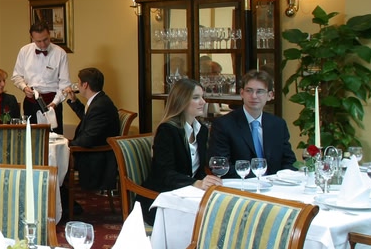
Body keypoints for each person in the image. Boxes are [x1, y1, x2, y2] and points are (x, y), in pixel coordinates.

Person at [141, 78, 223, 220]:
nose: (203, 102)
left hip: (189, 195)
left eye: (202, 97)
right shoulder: (167, 130)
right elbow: (164, 173)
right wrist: (196, 183)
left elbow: (198, 171)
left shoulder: (202, 131)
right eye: (196, 98)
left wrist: (206, 182)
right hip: (163, 198)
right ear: (181, 101)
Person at [208, 70, 297, 176]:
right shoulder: (223, 124)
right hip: (241, 183)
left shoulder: (278, 124)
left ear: (270, 95)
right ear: (242, 93)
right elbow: (221, 166)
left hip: (274, 183)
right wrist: (258, 179)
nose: (254, 96)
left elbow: (289, 161)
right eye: (249, 91)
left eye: (259, 91)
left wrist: (282, 177)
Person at [63, 67, 121, 216]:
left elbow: (88, 139)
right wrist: (73, 101)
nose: (77, 85)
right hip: (94, 148)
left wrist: (66, 144)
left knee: (57, 161)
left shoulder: (100, 106)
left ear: (85, 85)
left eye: (78, 82)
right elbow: (88, 120)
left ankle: (67, 205)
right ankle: (65, 203)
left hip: (97, 156)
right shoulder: (98, 101)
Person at [10, 21, 70, 133]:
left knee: (54, 137)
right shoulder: (24, 51)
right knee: (31, 138)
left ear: (49, 34)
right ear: (32, 38)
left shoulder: (60, 53)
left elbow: (64, 84)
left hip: (53, 103)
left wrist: (55, 102)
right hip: (31, 102)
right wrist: (24, 87)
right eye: (38, 41)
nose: (43, 44)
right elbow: (16, 76)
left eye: (45, 39)